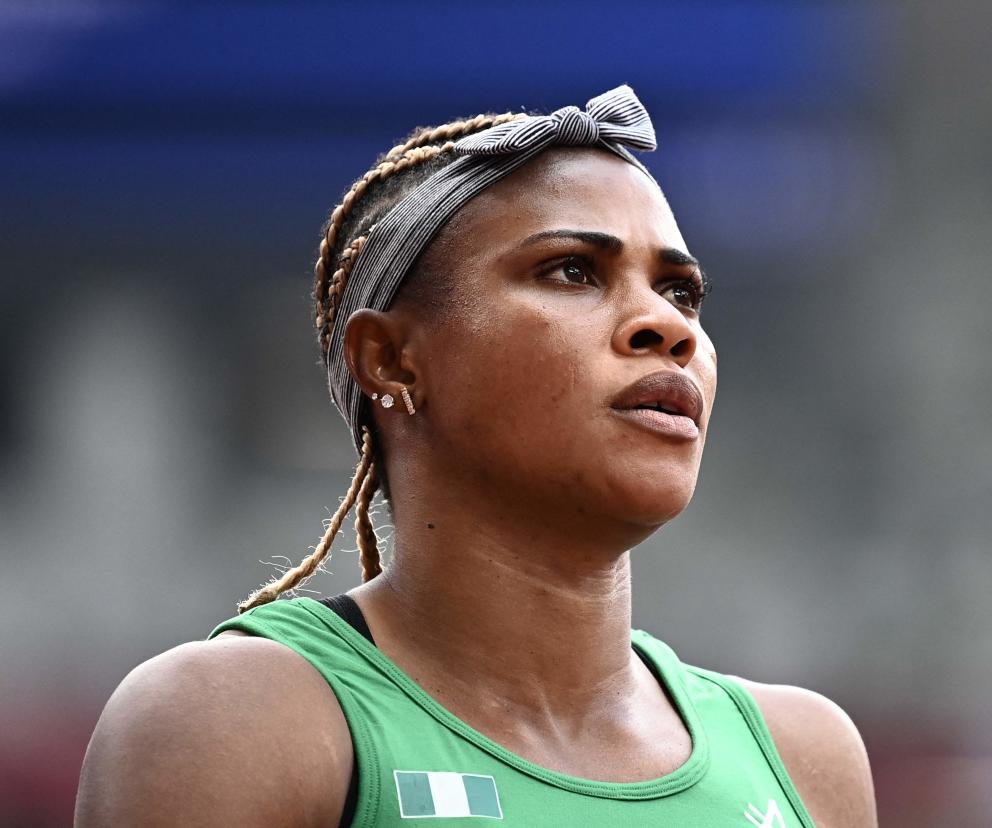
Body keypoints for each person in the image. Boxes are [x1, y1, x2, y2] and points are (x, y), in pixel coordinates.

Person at [74, 86, 877, 827]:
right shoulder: (239, 722)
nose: (666, 328)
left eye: (682, 293)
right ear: (392, 361)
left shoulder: (807, 758)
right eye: (572, 271)